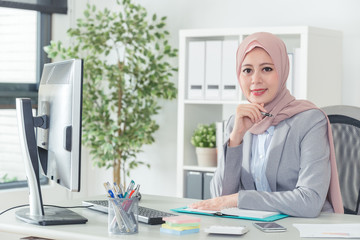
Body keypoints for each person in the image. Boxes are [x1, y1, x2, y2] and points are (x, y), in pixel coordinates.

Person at [189, 32, 344, 217]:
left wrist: (239, 199)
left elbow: (309, 201)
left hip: (305, 229)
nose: (255, 80)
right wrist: (235, 139)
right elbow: (220, 197)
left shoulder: (309, 121)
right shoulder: (236, 123)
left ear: (283, 70)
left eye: (267, 69)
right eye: (247, 70)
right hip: (256, 228)